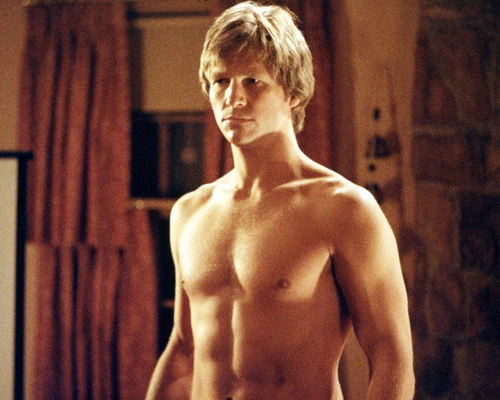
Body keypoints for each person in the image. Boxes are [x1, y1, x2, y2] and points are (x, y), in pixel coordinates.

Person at [146, 1, 414, 399]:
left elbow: (391, 357)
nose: (233, 97)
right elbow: (184, 351)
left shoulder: (344, 208)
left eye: (252, 81)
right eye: (221, 80)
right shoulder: (191, 212)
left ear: (293, 93)